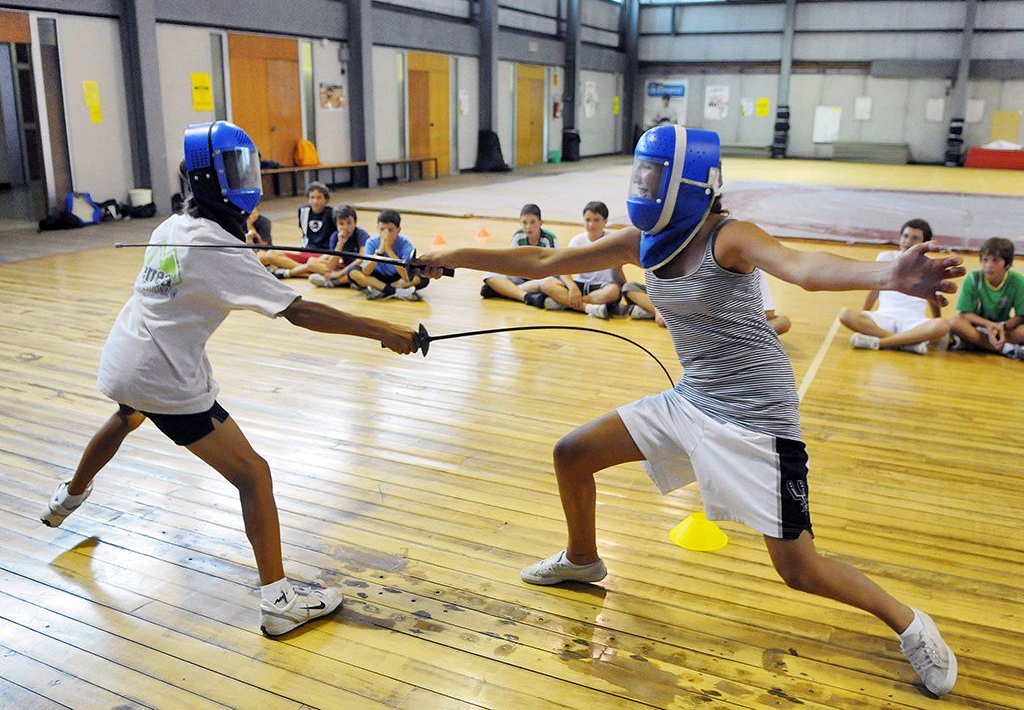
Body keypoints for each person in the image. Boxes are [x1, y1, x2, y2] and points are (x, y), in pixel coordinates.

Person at [416, 125, 963, 696]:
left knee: (800, 570)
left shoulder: (729, 236)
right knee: (572, 454)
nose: (643, 186)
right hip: (694, 397)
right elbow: (547, 258)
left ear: (691, 181)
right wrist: (454, 255)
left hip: (757, 416)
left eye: (653, 176)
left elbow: (802, 266)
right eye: (641, 175)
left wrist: (886, 274)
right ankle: (581, 559)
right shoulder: (643, 239)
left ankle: (911, 623)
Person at [40, 121, 420, 638]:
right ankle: (279, 600)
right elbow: (299, 311)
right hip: (164, 376)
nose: (248, 181)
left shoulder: (172, 226)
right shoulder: (220, 249)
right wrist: (384, 330)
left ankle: (67, 498)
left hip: (125, 357)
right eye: (237, 171)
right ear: (210, 179)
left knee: (128, 416)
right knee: (254, 475)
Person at [839, 219, 950, 354]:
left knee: (943, 325)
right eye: (905, 236)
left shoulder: (931, 266)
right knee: (845, 314)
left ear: (925, 243)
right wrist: (864, 315)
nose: (908, 242)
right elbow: (874, 291)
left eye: (915, 238)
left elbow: (933, 299)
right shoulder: (885, 257)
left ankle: (882, 342)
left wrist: (936, 321)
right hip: (884, 316)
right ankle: (906, 343)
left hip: (913, 321)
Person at [622, 269, 790, 334]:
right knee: (630, 287)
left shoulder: (754, 271)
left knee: (783, 322)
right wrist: (661, 310)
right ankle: (668, 316)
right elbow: (661, 288)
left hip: (718, 322)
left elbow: (768, 313)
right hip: (684, 309)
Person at [535, 201, 625, 319]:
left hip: (602, 287)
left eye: (596, 220)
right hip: (581, 285)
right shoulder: (577, 241)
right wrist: (572, 286)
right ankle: (588, 307)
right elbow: (563, 270)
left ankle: (568, 303)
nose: (591, 224)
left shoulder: (613, 240)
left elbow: (618, 273)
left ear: (605, 221)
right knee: (547, 284)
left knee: (613, 291)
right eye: (587, 220)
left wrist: (626, 292)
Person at [948, 236, 1024, 359]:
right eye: (985, 260)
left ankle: (975, 343)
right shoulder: (973, 278)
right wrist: (988, 325)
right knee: (954, 323)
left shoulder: (1018, 281)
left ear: (1007, 264)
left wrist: (1002, 326)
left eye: (996, 261)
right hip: (978, 326)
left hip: (1003, 328)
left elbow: (1021, 316)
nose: (988, 265)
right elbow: (965, 313)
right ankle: (1007, 349)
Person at [479, 204, 558, 305]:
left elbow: (552, 268)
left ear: (540, 223)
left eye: (533, 222)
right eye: (524, 222)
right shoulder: (518, 236)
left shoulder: (549, 238)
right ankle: (527, 297)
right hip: (521, 276)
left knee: (545, 283)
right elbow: (510, 261)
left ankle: (502, 291)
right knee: (490, 275)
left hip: (539, 278)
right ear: (520, 223)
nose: (528, 227)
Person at [349, 209, 429, 301]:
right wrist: (379, 252)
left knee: (423, 277)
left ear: (398, 230)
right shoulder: (371, 242)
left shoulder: (406, 244)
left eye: (390, 230)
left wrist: (389, 251)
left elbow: (406, 276)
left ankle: (379, 290)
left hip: (398, 277)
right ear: (377, 228)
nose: (385, 234)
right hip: (378, 276)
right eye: (382, 229)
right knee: (353, 271)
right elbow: (366, 271)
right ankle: (394, 291)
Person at [263, 182, 336, 278]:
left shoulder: (332, 213)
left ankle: (294, 271)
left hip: (323, 255)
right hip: (305, 253)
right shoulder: (303, 211)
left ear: (326, 200)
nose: (315, 201)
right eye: (312, 197)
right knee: (270, 255)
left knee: (314, 263)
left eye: (319, 198)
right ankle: (306, 272)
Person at [308, 205, 371, 288]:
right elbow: (331, 266)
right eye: (341, 224)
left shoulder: (361, 234)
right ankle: (349, 281)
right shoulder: (334, 237)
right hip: (344, 266)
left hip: (357, 267)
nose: (345, 227)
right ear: (336, 225)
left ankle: (335, 282)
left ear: (355, 222)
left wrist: (339, 274)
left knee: (357, 272)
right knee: (312, 262)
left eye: (349, 223)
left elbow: (362, 259)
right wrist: (340, 244)